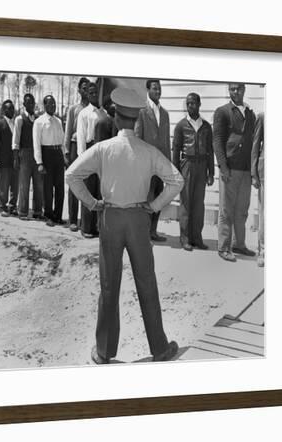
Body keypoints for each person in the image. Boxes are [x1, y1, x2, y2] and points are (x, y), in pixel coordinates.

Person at [66, 87, 183, 365]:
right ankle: (160, 348)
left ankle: (104, 352)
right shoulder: (149, 151)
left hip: (110, 219)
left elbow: (72, 175)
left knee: (109, 285)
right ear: (138, 120)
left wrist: (93, 203)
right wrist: (154, 206)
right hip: (139, 218)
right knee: (147, 283)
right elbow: (177, 180)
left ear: (117, 118)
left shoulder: (104, 149)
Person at [213, 83, 256, 262]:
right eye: (232, 89)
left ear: (244, 90)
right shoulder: (222, 111)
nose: (235, 92)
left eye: (238, 88)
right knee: (226, 210)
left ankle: (239, 244)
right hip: (229, 169)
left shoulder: (250, 113)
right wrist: (223, 167)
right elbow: (217, 140)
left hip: (245, 170)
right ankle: (223, 247)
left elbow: (253, 141)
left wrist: (253, 171)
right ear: (229, 91)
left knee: (242, 210)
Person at [172, 93, 215, 251]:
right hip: (187, 165)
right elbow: (175, 150)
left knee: (198, 204)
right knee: (186, 202)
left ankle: (197, 237)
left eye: (194, 103)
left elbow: (210, 150)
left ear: (199, 104)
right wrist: (175, 172)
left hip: (202, 165)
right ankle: (185, 238)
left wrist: (211, 173)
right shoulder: (181, 125)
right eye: (188, 104)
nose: (191, 106)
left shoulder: (206, 126)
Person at [135, 79, 171, 242]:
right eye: (155, 88)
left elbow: (166, 141)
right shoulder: (141, 111)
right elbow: (137, 137)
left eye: (159, 88)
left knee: (157, 199)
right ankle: (142, 232)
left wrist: (168, 165)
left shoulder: (164, 113)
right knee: (146, 198)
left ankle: (152, 231)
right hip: (146, 165)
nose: (158, 91)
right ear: (148, 90)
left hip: (161, 165)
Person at [76, 82, 106, 238]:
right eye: (91, 93)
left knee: (99, 191)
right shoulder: (84, 113)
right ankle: (86, 228)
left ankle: (97, 227)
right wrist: (82, 160)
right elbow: (81, 137)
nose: (94, 95)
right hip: (89, 151)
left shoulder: (104, 113)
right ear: (87, 94)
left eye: (96, 93)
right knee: (88, 190)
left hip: (102, 154)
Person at [33, 95, 66, 227]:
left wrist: (64, 156)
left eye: (54, 104)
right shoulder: (39, 122)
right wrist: (39, 162)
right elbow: (36, 143)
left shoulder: (58, 121)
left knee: (60, 187)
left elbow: (62, 141)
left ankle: (58, 215)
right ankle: (49, 215)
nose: (53, 106)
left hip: (58, 154)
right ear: (44, 106)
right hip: (46, 154)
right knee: (47, 188)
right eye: (50, 104)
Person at [63, 77, 90, 231]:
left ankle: (86, 222)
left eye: (88, 88)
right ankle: (73, 220)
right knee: (74, 183)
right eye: (83, 88)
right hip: (74, 148)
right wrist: (66, 152)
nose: (86, 91)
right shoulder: (74, 109)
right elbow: (67, 133)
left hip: (88, 149)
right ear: (79, 90)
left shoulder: (94, 109)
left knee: (87, 185)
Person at [13, 93, 44, 220]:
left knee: (38, 184)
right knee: (24, 184)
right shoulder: (19, 119)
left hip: (37, 153)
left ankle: (37, 211)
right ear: (24, 104)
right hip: (24, 153)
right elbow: (15, 140)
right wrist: (16, 158)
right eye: (28, 102)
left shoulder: (38, 119)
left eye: (32, 102)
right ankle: (23, 211)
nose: (30, 104)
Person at [0, 100, 18, 216]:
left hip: (15, 160)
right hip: (3, 160)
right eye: (8, 108)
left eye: (12, 108)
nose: (11, 110)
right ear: (4, 110)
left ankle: (12, 207)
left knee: (15, 185)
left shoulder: (16, 122)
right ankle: (2, 206)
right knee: (3, 185)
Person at [252, 112, 265, 267]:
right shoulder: (263, 116)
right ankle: (263, 250)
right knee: (265, 213)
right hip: (266, 171)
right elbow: (255, 145)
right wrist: (254, 173)